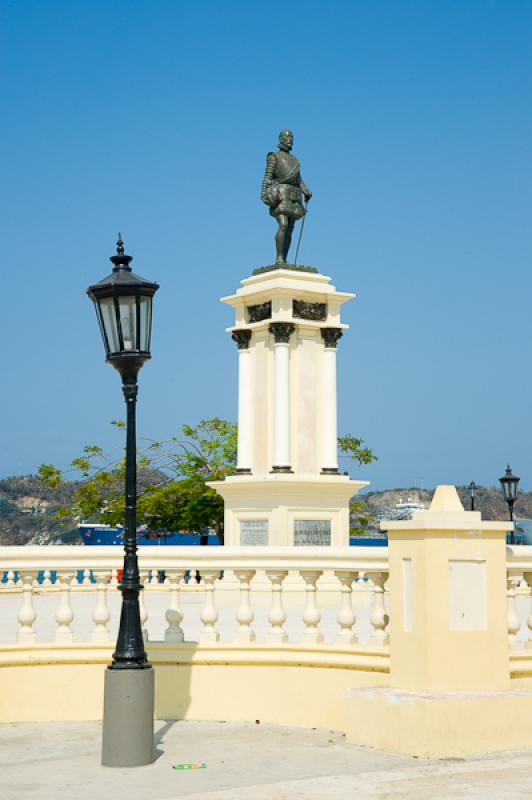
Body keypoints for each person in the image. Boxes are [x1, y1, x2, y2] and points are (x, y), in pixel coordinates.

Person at [261, 129, 312, 264]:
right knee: (283, 224)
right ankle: (279, 257)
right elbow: (267, 177)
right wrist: (265, 193)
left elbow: (298, 179)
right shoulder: (274, 157)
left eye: (291, 137)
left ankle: (285, 258)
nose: (290, 140)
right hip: (281, 195)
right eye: (287, 137)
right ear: (281, 139)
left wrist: (305, 190)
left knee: (290, 229)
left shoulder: (295, 160)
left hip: (294, 195)